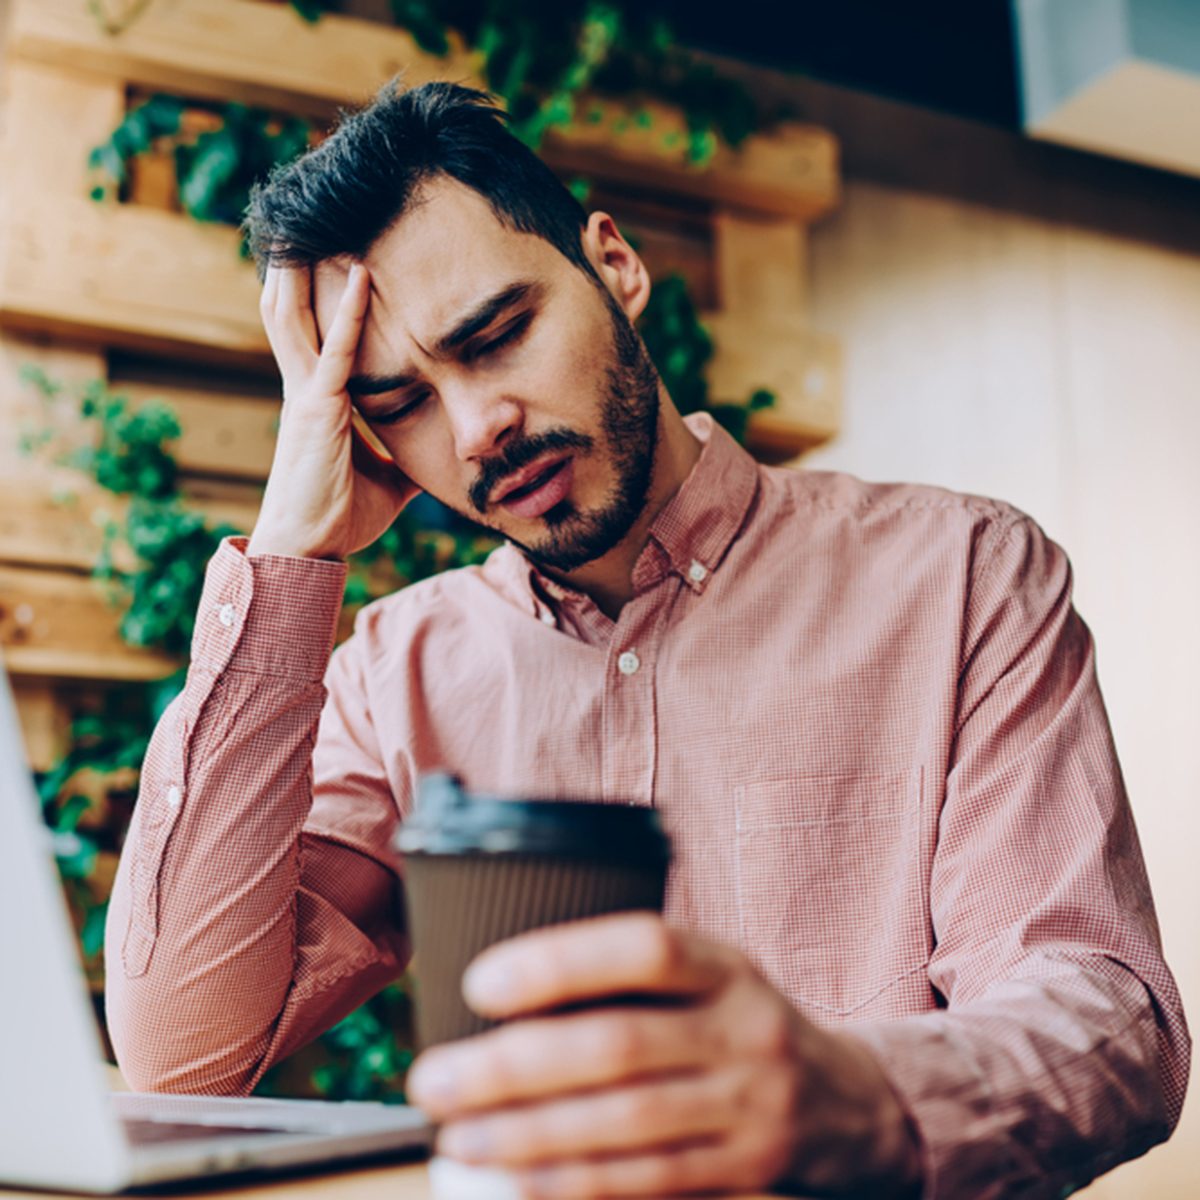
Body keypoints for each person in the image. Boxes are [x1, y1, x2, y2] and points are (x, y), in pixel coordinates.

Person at [105, 80, 1188, 1199]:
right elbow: (185, 1055)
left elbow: (1106, 1010)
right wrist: (292, 549)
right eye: (400, 405)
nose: (477, 428)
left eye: (498, 335)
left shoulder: (962, 574)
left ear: (613, 265)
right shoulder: (396, 672)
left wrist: (849, 1090)